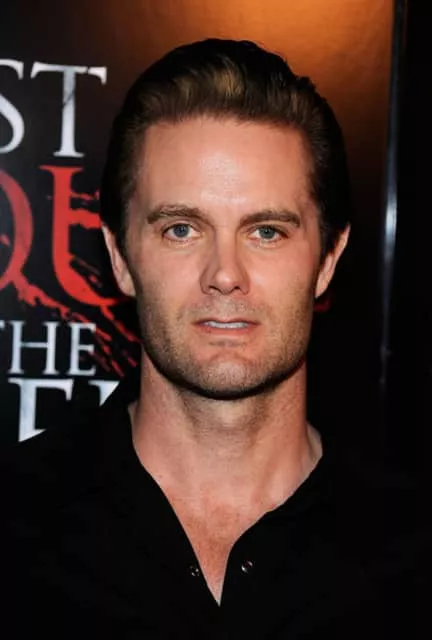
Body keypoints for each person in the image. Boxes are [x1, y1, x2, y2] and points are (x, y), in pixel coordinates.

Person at [2, 39, 424, 639]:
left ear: (328, 259)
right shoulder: (14, 527)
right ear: (120, 257)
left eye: (267, 232)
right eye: (181, 228)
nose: (225, 273)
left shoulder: (411, 551)